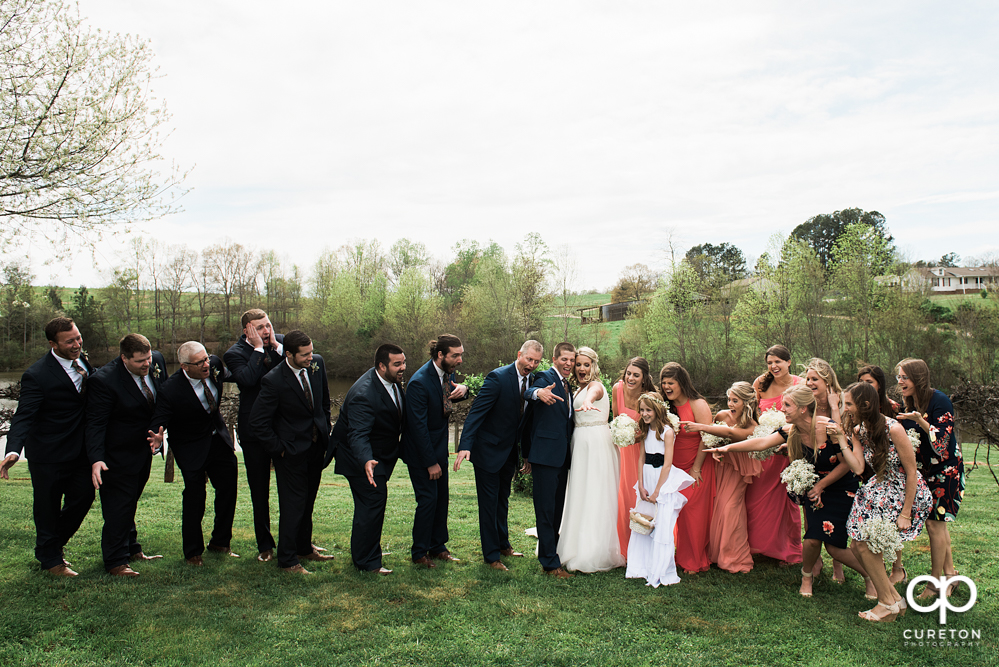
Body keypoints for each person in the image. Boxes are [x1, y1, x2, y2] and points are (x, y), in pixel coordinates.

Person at [830, 382, 932, 622]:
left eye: (849, 404)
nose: (845, 410)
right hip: (877, 488)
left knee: (864, 545)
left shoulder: (893, 428)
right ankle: (894, 599)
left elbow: (911, 471)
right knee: (857, 545)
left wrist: (906, 512)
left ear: (865, 405)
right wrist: (842, 440)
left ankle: (886, 603)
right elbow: (858, 467)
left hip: (902, 491)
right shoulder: (859, 430)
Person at [1, 317, 96, 576]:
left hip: (80, 450)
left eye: (78, 338)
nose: (77, 344)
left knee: (84, 496)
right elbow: (24, 415)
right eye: (70, 341)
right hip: (48, 454)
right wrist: (12, 450)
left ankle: (49, 547)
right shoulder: (36, 374)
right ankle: (52, 560)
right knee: (47, 507)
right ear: (53, 344)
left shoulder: (83, 363)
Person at [147, 342, 239, 567]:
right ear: (185, 366)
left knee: (228, 489)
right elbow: (159, 420)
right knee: (195, 497)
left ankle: (221, 542)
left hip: (218, 441)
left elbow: (234, 376)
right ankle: (192, 552)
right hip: (190, 448)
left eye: (206, 359)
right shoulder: (170, 389)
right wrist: (157, 439)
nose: (207, 364)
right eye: (200, 363)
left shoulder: (214, 366)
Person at [249, 330, 333, 574]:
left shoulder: (317, 364)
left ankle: (304, 548)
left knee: (308, 503)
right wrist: (280, 450)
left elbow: (324, 402)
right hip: (291, 454)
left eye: (311, 352)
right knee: (293, 505)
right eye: (304, 355)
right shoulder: (273, 380)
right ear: (289, 354)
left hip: (316, 449)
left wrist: (325, 427)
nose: (311, 358)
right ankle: (287, 560)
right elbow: (258, 422)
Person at [454, 340, 543, 571]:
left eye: (536, 361)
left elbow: (524, 422)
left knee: (502, 501)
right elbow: (476, 412)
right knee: (489, 504)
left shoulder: (533, 382)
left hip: (509, 454)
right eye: (528, 359)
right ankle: (492, 556)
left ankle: (504, 545)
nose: (531, 364)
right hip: (487, 453)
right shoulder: (497, 377)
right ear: (519, 355)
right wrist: (465, 445)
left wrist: (525, 455)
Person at [86, 333, 167, 577]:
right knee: (118, 508)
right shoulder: (104, 381)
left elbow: (162, 401)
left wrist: (160, 431)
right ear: (123, 358)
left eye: (148, 358)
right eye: (140, 361)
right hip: (116, 454)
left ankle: (132, 549)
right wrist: (96, 458)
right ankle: (115, 562)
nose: (147, 364)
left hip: (142, 451)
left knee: (130, 502)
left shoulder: (157, 362)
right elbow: (95, 424)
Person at [330, 344, 407, 575]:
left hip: (379, 457)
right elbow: (358, 434)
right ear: (382, 365)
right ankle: (367, 562)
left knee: (372, 505)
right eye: (397, 364)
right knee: (371, 505)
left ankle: (366, 552)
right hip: (361, 460)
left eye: (404, 362)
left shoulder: (388, 381)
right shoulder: (364, 394)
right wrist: (366, 460)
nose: (403, 368)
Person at [895, 358, 964, 600]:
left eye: (905, 377)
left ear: (918, 378)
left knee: (935, 524)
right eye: (899, 377)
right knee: (937, 523)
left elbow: (942, 444)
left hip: (945, 470)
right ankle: (950, 575)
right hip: (925, 471)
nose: (900, 382)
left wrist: (921, 422)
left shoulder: (940, 400)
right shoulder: (909, 402)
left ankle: (935, 583)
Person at [401, 335, 469, 568]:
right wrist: (430, 462)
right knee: (428, 500)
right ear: (440, 355)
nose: (460, 360)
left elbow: (451, 394)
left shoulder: (445, 374)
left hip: (439, 450)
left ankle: (438, 546)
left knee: (441, 499)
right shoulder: (420, 382)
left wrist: (464, 388)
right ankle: (419, 552)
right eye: (455, 355)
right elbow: (417, 428)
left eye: (461, 354)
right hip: (422, 454)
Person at [223, 308, 285, 562]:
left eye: (268, 325)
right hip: (253, 431)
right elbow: (248, 380)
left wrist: (276, 347)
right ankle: (265, 546)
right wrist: (259, 349)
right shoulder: (234, 353)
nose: (267, 331)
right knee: (259, 491)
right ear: (247, 329)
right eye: (260, 328)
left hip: (283, 428)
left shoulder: (280, 344)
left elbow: (292, 372)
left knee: (292, 488)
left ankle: (298, 541)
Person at [556, 347, 625, 573]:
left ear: (593, 366)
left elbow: (594, 393)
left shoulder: (596, 387)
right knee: (580, 491)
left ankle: (594, 548)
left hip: (596, 443)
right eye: (578, 365)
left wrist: (588, 401)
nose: (582, 369)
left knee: (596, 491)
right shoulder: (577, 389)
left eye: (586, 364)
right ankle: (574, 542)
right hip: (580, 443)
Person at [682, 381, 761, 574]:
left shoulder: (752, 425)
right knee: (717, 507)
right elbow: (714, 438)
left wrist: (700, 426)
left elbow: (729, 433)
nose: (731, 404)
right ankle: (714, 553)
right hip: (720, 466)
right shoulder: (721, 415)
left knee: (730, 509)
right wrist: (715, 451)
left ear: (747, 403)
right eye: (729, 400)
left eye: (736, 401)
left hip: (738, 470)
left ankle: (734, 556)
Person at [625, 392, 694, 587]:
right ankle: (641, 566)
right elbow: (641, 457)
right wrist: (640, 483)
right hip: (646, 477)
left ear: (657, 409)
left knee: (661, 522)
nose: (644, 414)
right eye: (642, 410)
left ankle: (660, 568)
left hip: (661, 479)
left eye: (648, 410)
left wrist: (657, 491)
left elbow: (667, 464)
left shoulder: (667, 431)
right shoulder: (645, 430)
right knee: (643, 520)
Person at [522, 342, 576, 578]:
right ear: (554, 359)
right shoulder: (544, 378)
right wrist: (538, 393)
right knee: (545, 511)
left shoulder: (568, 386)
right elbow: (528, 392)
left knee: (556, 512)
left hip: (562, 458)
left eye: (572, 360)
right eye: (564, 359)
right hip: (545, 457)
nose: (569, 364)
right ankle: (549, 563)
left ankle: (552, 553)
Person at [745, 344, 803, 564]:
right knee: (756, 498)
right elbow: (751, 413)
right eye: (770, 362)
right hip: (764, 449)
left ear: (789, 362)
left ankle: (787, 549)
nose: (773, 366)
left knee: (786, 501)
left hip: (789, 449)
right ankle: (758, 545)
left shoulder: (799, 384)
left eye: (778, 361)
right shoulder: (760, 383)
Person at [658, 362, 714, 573]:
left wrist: (697, 468)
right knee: (675, 512)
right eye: (663, 383)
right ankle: (679, 555)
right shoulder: (665, 406)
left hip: (696, 466)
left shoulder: (697, 404)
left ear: (681, 383)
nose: (666, 387)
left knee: (693, 513)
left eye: (670, 383)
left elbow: (706, 437)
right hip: (673, 467)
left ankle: (695, 560)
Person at [857, 363, 904, 584]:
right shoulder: (858, 408)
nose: (865, 386)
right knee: (874, 522)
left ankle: (897, 567)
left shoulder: (892, 408)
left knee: (890, 522)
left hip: (890, 468)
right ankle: (878, 568)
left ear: (879, 385)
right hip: (867, 469)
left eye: (870, 383)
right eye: (862, 382)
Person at [802, 357, 847, 584]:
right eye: (807, 379)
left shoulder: (840, 403)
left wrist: (834, 406)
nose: (809, 383)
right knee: (811, 517)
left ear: (827, 382)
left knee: (835, 519)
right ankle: (814, 559)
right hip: (813, 464)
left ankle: (838, 564)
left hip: (837, 464)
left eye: (814, 379)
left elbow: (843, 436)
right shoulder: (806, 404)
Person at [612, 357, 656, 559]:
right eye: (628, 373)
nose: (630, 378)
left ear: (644, 378)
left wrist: (635, 437)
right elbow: (615, 421)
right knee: (623, 498)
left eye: (636, 375)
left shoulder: (650, 397)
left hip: (642, 453)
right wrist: (621, 436)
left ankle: (644, 548)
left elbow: (656, 429)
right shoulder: (617, 389)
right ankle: (625, 547)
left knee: (639, 497)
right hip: (623, 452)